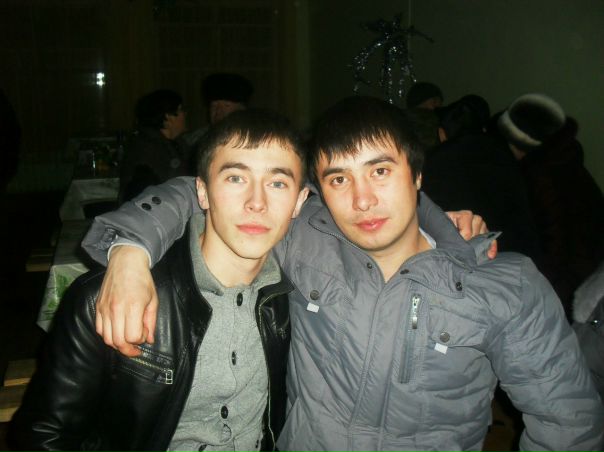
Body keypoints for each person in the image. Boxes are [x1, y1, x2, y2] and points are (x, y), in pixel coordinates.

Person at [82, 97, 602, 451]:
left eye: (380, 171)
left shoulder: (503, 286)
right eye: (338, 179)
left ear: (417, 175)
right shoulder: (306, 237)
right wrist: (129, 251)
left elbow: (568, 424)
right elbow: (202, 192)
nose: (362, 199)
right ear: (318, 192)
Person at [10, 108, 310, 451]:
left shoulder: (297, 295)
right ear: (201, 192)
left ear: (299, 201)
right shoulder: (107, 298)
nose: (256, 203)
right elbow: (45, 435)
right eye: (235, 178)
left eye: (277, 183)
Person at [496, 93, 604, 318]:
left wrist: (542, 297)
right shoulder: (563, 160)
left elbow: (555, 243)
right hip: (587, 268)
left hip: (572, 283)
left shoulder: (542, 176)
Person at [422, 96, 541, 258]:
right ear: (483, 128)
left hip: (469, 257)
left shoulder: (432, 162)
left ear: (442, 133)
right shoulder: (507, 156)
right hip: (519, 256)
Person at [120, 89, 191, 202]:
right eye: (181, 110)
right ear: (168, 117)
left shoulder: (176, 144)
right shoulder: (148, 150)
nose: (185, 114)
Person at [182, 73, 254, 153]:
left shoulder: (255, 140)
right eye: (214, 105)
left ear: (241, 109)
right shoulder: (192, 142)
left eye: (226, 105)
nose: (219, 111)